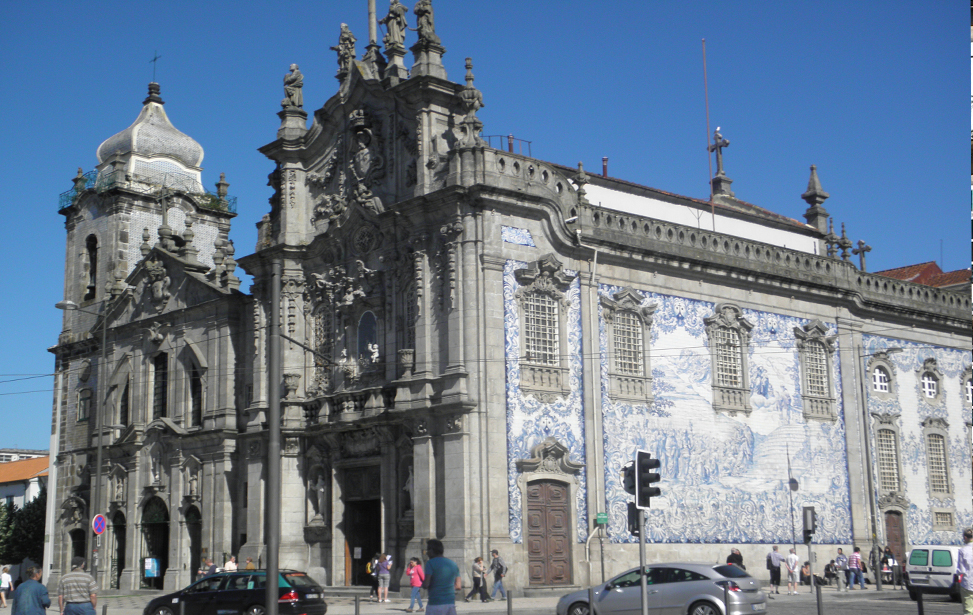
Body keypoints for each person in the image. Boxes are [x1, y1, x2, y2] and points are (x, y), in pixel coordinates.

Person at [422, 539, 461, 615]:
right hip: (450, 603)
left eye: (427, 550)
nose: (427, 553)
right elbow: (458, 586)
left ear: (432, 550)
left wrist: (422, 584)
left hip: (435, 603)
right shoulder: (453, 564)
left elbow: (426, 584)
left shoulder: (430, 563)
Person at [956, 527, 973, 615]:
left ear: (965, 537)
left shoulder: (963, 550)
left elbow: (961, 570)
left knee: (969, 610)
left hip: (968, 583)